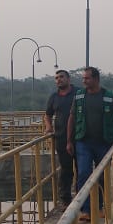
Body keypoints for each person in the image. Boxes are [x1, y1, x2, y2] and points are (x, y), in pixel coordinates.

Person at [66, 66, 113, 221]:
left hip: (104, 142)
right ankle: (86, 210)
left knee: (102, 176)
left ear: (96, 79)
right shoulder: (79, 96)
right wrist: (69, 141)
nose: (84, 81)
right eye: (83, 78)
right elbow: (72, 118)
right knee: (83, 173)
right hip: (83, 142)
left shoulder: (108, 96)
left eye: (87, 78)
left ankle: (99, 207)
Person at [43, 69, 78, 207]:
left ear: (68, 79)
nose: (59, 79)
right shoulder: (54, 97)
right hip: (61, 138)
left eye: (62, 77)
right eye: (56, 78)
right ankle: (65, 199)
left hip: (80, 137)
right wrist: (48, 127)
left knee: (82, 169)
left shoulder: (78, 93)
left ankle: (82, 198)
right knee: (65, 169)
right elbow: (48, 115)